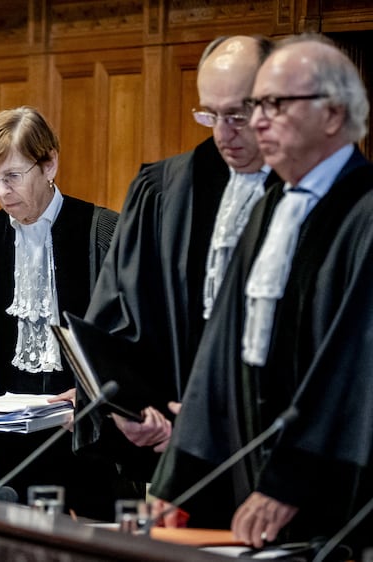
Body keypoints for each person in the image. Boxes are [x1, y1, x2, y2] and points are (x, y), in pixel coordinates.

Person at [150, 34, 373, 556]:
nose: (258, 121)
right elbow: (220, 353)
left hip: (340, 496)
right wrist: (176, 477)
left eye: (274, 104)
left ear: (334, 115)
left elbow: (355, 366)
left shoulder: (365, 212)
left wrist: (290, 479)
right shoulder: (270, 208)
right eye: (256, 105)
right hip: (257, 488)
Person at [0, 106, 137, 520]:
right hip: (3, 460)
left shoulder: (107, 236)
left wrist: (92, 398)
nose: (1, 192)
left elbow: (136, 347)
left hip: (88, 453)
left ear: (49, 163)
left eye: (12, 176)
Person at [80, 36, 275, 499]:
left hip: (279, 463)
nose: (223, 133)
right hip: (179, 459)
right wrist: (130, 411)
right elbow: (120, 312)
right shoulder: (166, 190)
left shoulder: (321, 199)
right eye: (210, 115)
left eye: (238, 115)